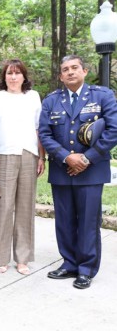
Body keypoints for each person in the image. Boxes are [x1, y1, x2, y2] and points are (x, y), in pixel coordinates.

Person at [39, 55, 117, 289]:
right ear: (61, 76)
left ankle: (86, 268)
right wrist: (67, 157)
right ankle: (69, 263)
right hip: (62, 170)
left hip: (91, 170)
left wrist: (86, 158)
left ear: (84, 71)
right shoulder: (52, 100)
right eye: (65, 69)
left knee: (88, 220)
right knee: (64, 220)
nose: (70, 72)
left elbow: (113, 130)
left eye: (75, 68)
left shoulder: (102, 96)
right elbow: (44, 134)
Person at [0, 59, 46, 275]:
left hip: (29, 155)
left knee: (25, 207)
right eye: (9, 73)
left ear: (24, 76)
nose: (13, 77)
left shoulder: (33, 97)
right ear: (4, 77)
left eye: (17, 73)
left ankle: (22, 258)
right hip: (3, 154)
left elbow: (39, 128)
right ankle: (1, 258)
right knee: (3, 206)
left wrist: (42, 157)